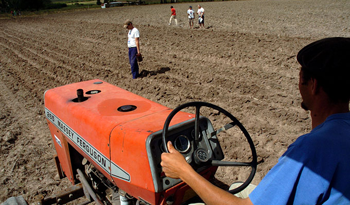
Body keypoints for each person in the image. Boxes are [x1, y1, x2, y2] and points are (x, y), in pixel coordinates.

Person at [161, 37, 350, 204]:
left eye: (301, 78)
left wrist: (183, 171)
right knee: (237, 185)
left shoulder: (311, 149)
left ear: (313, 85)